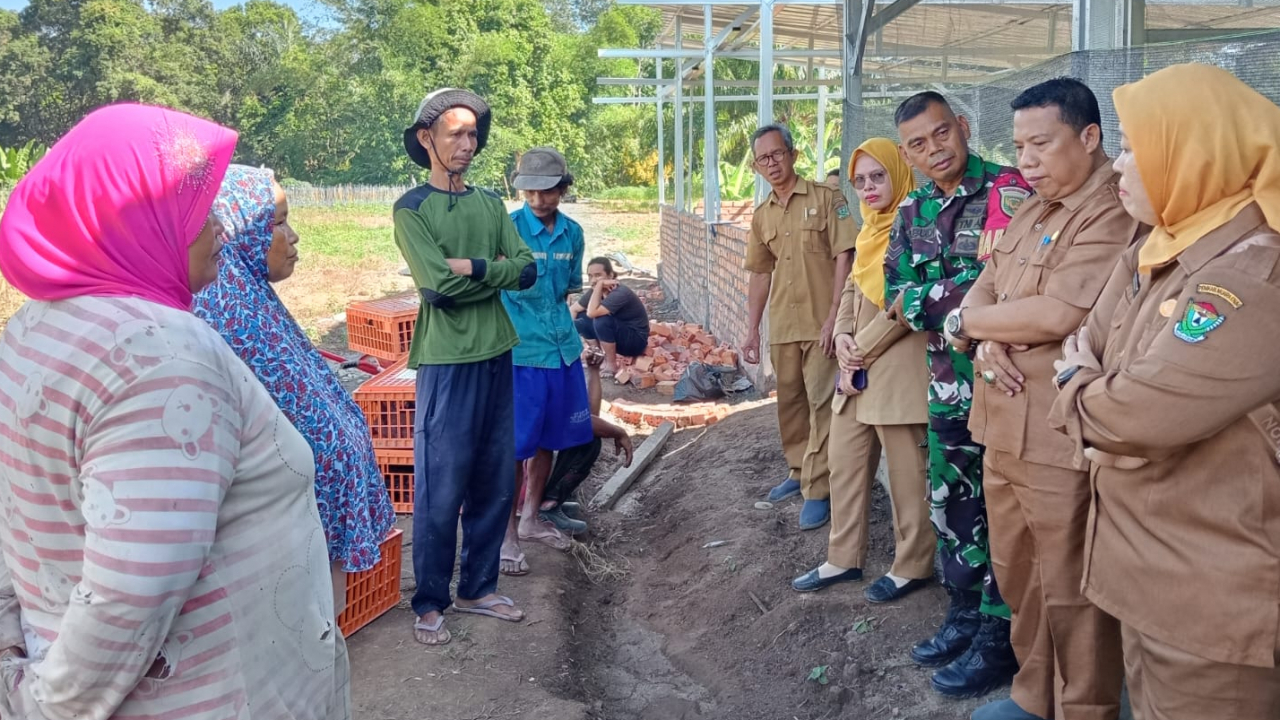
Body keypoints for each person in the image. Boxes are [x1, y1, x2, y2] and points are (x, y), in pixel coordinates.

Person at [0, 104, 350, 719]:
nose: (220, 227)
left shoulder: (33, 328)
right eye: (197, 211)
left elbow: (20, 512)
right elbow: (131, 593)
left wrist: (11, 642)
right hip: (210, 695)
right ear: (136, 217)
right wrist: (41, 705)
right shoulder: (162, 354)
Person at [1048, 63, 1280, 720]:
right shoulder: (1158, 249)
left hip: (1210, 602)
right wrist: (1094, 389)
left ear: (1195, 155)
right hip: (1146, 574)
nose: (1118, 168)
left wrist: (1081, 390)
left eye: (1132, 149)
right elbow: (1085, 344)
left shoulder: (1255, 273)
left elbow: (1134, 415)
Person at [949, 79, 1135, 720]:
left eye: (1041, 144)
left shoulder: (1112, 209)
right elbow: (984, 286)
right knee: (1018, 572)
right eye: (1019, 146)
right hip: (1003, 424)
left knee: (1070, 585)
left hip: (1058, 436)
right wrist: (981, 333)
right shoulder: (1031, 209)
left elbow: (1059, 313)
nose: (1025, 161)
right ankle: (1034, 696)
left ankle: (1084, 708)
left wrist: (971, 327)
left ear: (1089, 136)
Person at [193, 165, 397, 615]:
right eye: (278, 223)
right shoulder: (227, 313)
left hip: (308, 539)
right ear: (239, 230)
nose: (293, 236)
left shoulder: (250, 298)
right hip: (281, 550)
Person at [886, 91, 1032, 699]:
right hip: (948, 384)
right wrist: (961, 299)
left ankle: (1001, 637)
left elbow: (1014, 286)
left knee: (1002, 508)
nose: (934, 149)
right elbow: (897, 295)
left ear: (963, 126)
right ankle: (965, 613)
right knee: (951, 504)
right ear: (907, 155)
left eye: (941, 133)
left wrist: (938, 298)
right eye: (918, 144)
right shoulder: (911, 209)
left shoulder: (1010, 189)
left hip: (1007, 383)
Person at [395, 88, 536, 646]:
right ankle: (430, 600)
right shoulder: (411, 209)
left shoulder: (490, 205)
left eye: (473, 133)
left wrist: (474, 266)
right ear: (426, 138)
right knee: (441, 483)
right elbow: (437, 288)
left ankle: (478, 588)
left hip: (497, 351)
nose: (467, 143)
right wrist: (491, 272)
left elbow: (525, 270)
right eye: (455, 133)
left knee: (494, 478)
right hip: (447, 360)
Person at [790, 138, 934, 602]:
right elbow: (854, 286)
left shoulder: (918, 223)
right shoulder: (870, 229)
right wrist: (843, 337)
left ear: (898, 173)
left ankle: (912, 565)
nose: (868, 188)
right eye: (859, 181)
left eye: (878, 176)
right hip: (857, 366)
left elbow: (905, 304)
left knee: (908, 477)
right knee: (845, 464)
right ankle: (843, 557)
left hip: (897, 369)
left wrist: (859, 352)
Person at [743, 123, 856, 531]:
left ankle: (818, 489)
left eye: (778, 154)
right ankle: (798, 469)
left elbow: (845, 256)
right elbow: (760, 274)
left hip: (822, 323)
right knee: (790, 402)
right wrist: (752, 329)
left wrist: (835, 316)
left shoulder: (827, 198)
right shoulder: (762, 216)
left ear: (792, 155)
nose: (772, 163)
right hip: (785, 325)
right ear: (756, 167)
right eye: (763, 159)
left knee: (823, 403)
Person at [498, 147, 594, 570]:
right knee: (514, 447)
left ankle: (531, 518)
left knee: (546, 440)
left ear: (563, 189)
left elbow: (567, 292)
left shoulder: (573, 233)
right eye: (530, 192)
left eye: (548, 191)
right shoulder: (507, 229)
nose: (539, 200)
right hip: (522, 352)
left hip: (561, 350)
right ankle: (506, 536)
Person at [572, 257, 650, 377]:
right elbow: (573, 309)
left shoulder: (620, 292)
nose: (593, 280)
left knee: (601, 319)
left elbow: (592, 313)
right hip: (619, 338)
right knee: (581, 318)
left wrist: (599, 285)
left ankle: (611, 365)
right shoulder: (596, 290)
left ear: (610, 275)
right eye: (590, 276)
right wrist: (566, 340)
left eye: (598, 275)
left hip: (635, 342)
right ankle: (598, 357)